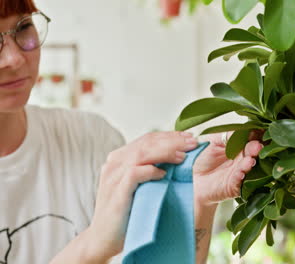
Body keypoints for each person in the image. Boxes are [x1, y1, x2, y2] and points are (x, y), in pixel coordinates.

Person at [0, 1, 263, 263]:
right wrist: (94, 243)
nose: (14, 58)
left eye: (23, 27)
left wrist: (193, 201)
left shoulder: (89, 139)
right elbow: (101, 242)